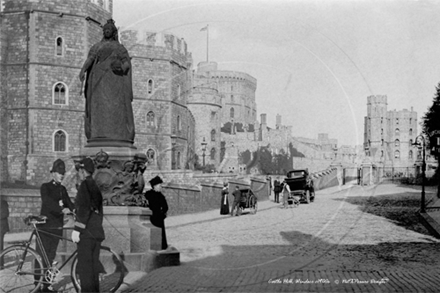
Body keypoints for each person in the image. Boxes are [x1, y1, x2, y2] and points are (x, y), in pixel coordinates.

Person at [78, 19, 135, 145]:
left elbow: (126, 63)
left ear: (113, 32)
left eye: (109, 30)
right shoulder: (97, 47)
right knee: (98, 108)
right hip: (98, 83)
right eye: (105, 30)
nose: (106, 31)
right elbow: (90, 59)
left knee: (115, 109)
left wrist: (121, 66)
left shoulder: (119, 48)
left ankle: (117, 134)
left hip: (115, 84)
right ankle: (98, 134)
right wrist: (83, 70)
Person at [35, 159, 74, 292]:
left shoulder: (62, 189)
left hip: (56, 229)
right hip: (45, 228)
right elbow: (48, 203)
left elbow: (69, 203)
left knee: (50, 257)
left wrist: (77, 210)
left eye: (63, 173)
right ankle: (36, 285)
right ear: (53, 173)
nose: (61, 175)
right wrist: (61, 209)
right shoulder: (45, 187)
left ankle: (46, 286)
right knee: (41, 257)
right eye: (59, 173)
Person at [71, 158, 105, 293]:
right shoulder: (94, 186)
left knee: (85, 272)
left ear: (82, 171)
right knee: (93, 271)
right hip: (96, 233)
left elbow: (84, 209)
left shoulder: (85, 185)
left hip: (86, 235)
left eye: (79, 170)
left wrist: (77, 229)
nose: (78, 173)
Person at [144, 176, 169, 250]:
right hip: (151, 216)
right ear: (154, 186)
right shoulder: (148, 194)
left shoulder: (161, 196)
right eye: (159, 185)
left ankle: (161, 246)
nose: (160, 187)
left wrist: (163, 213)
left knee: (160, 233)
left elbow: (166, 207)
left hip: (159, 217)